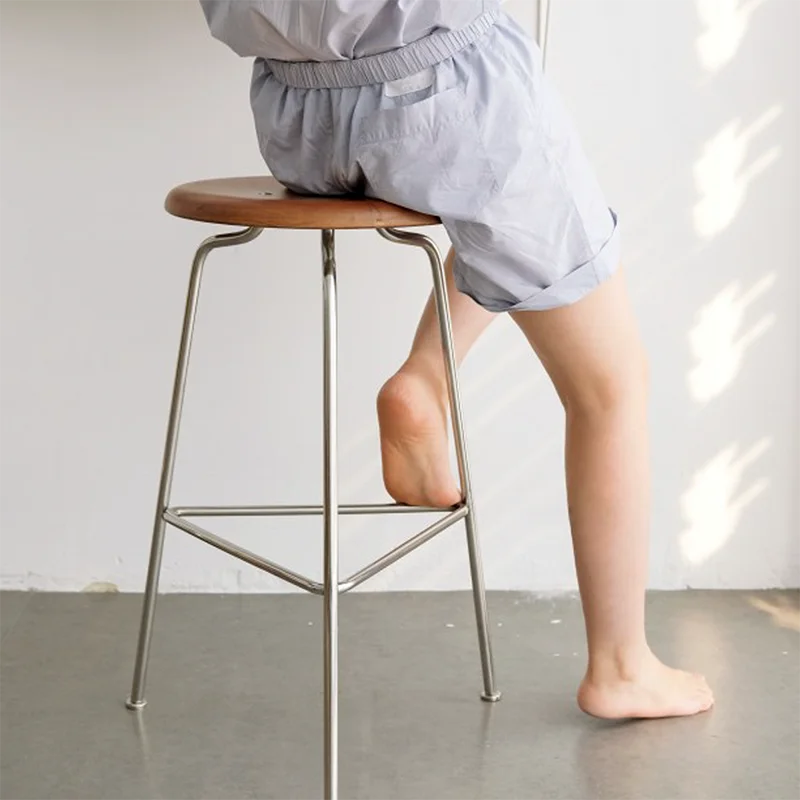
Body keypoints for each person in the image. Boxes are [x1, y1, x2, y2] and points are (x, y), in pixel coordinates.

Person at [198, 0, 714, 720]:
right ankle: (622, 666)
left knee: (512, 225)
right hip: (448, 104)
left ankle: (426, 377)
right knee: (610, 386)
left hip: (295, 122)